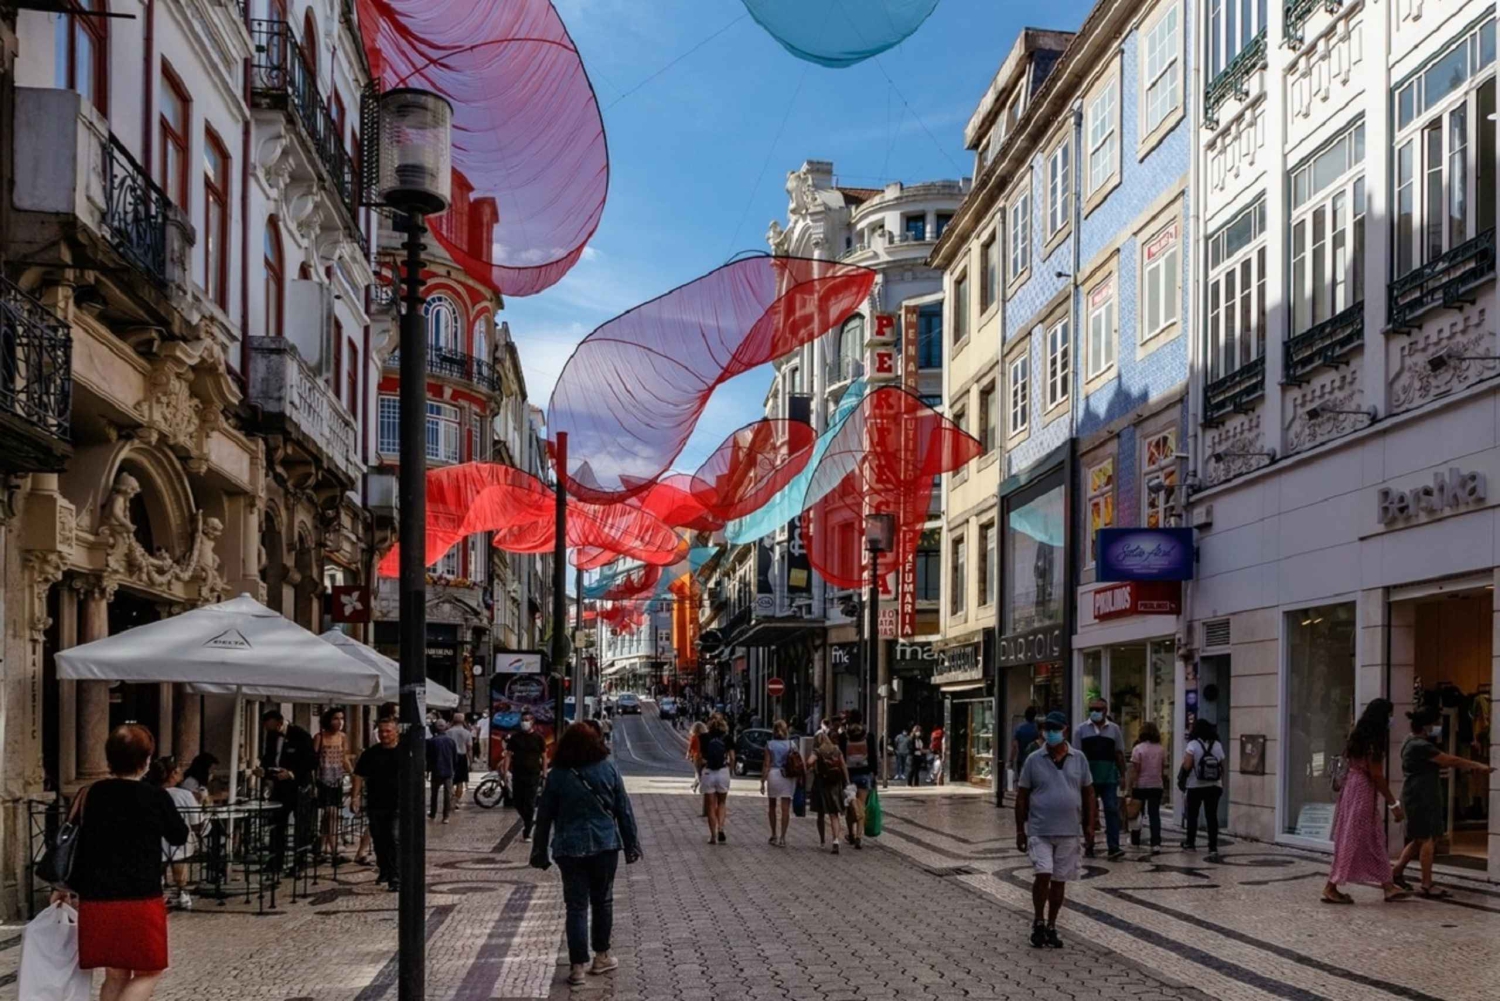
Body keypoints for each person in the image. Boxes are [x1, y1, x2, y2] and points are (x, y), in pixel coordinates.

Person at [52, 724, 189, 1001]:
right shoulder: (155, 796)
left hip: (96, 899)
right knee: (150, 971)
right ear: (146, 760)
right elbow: (179, 835)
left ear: (109, 758)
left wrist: (61, 886)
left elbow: (73, 842)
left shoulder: (90, 793)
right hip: (140, 899)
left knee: (115, 974)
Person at [530, 722, 642, 987]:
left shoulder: (557, 775)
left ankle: (577, 967)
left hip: (569, 847)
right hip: (604, 845)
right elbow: (623, 810)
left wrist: (539, 851)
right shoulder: (608, 768)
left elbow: (544, 817)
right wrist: (631, 845)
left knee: (576, 906)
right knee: (602, 901)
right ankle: (601, 956)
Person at [1392, 706, 1496, 897]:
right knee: (1428, 839)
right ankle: (1427, 884)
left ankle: (1396, 872)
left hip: (1416, 795)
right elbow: (1451, 760)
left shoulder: (1410, 740)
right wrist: (1478, 765)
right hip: (1421, 797)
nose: (1438, 726)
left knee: (1418, 838)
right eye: (1435, 723)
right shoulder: (1421, 746)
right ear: (1426, 725)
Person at [1015, 711, 1095, 949]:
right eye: (1047, 729)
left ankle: (1051, 925)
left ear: (1065, 730)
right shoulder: (1033, 759)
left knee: (1059, 880)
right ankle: (1038, 920)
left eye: (1055, 729)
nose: (1050, 733)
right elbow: (1022, 795)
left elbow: (1088, 792)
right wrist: (1020, 829)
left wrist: (1090, 824)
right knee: (1043, 873)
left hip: (1069, 830)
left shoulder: (1079, 758)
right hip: (1040, 829)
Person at [1322, 698, 1411, 904]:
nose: (1391, 720)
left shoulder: (1357, 737)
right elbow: (1377, 775)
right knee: (1353, 838)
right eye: (1389, 716)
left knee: (1372, 837)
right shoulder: (1373, 743)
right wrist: (1393, 804)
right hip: (1362, 791)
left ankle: (1388, 886)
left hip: (1351, 789)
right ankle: (1331, 886)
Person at [257, 709, 315, 874]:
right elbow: (270, 756)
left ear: (279, 723)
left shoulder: (301, 735)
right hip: (279, 787)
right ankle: (275, 862)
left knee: (301, 826)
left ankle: (299, 863)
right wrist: (264, 770)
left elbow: (310, 761)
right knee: (277, 824)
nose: (268, 730)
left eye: (270, 726)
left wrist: (291, 773)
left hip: (299, 787)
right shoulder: (271, 735)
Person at [353, 718, 401, 890]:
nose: (384, 734)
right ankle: (385, 869)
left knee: (394, 838)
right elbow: (359, 775)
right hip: (375, 802)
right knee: (379, 839)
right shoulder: (371, 753)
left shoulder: (404, 752)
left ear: (396, 732)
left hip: (398, 803)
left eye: (388, 731)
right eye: (381, 731)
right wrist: (355, 796)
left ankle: (395, 876)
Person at [1077, 698, 1127, 860]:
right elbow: (1076, 756)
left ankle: (1114, 846)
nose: (1094, 712)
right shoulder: (1081, 730)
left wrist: (1123, 775)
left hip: (1109, 778)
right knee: (1088, 812)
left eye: (1098, 709)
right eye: (1092, 709)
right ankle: (1089, 844)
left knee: (1111, 810)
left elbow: (1119, 753)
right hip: (1088, 779)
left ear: (1105, 711)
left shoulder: (1114, 729)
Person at [147, 756, 199, 911]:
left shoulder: (149, 793)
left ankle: (160, 887)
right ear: (173, 774)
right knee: (180, 852)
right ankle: (182, 890)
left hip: (156, 843)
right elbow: (196, 821)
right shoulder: (184, 795)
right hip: (179, 844)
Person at [1178, 719, 1226, 855]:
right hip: (1214, 785)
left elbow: (1187, 765)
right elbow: (1222, 765)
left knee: (1192, 815)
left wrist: (1182, 777)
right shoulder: (1217, 745)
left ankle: (1190, 843)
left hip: (1195, 785)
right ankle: (1213, 846)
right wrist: (1222, 783)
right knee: (1212, 816)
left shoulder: (1192, 745)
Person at [312, 708, 351, 862]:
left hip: (337, 779)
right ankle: (334, 850)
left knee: (329, 815)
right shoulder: (319, 737)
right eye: (336, 718)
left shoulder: (343, 737)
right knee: (331, 813)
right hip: (323, 780)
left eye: (342, 718)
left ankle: (320, 847)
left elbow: (344, 758)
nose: (340, 722)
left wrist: (354, 774)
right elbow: (313, 761)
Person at [506, 711, 548, 842]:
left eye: (527, 720)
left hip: (533, 774)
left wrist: (544, 773)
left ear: (532, 721)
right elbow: (508, 755)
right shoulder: (515, 738)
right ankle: (528, 819)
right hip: (518, 773)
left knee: (530, 802)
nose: (525, 722)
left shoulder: (538, 738)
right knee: (517, 801)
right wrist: (505, 771)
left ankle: (527, 830)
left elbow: (544, 756)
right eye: (523, 719)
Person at [1126, 722, 1168, 849]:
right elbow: (1162, 769)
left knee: (1136, 813)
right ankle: (1156, 842)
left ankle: (1135, 840)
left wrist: (1130, 787)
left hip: (1141, 785)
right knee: (1154, 814)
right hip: (1156, 785)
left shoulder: (1138, 749)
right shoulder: (1161, 749)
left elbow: (1135, 770)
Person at [839, 710, 876, 848]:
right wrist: (874, 774)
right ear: (861, 720)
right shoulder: (868, 736)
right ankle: (859, 836)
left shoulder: (844, 736)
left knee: (850, 807)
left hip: (848, 776)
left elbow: (841, 757)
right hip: (864, 775)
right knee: (861, 806)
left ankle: (851, 834)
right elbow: (873, 757)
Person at [696, 717, 734, 844]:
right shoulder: (728, 738)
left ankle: (713, 836)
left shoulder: (703, 738)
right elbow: (732, 757)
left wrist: (699, 772)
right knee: (722, 803)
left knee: (710, 806)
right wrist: (730, 771)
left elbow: (699, 757)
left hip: (708, 772)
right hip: (723, 772)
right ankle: (721, 828)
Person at [760, 720, 797, 846]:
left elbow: (766, 764)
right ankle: (783, 837)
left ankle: (774, 834)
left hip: (774, 774)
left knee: (772, 806)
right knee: (785, 808)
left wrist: (762, 781)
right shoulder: (792, 744)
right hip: (787, 775)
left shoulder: (769, 744)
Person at [811, 733, 849, 854]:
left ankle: (822, 841)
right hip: (835, 784)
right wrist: (847, 781)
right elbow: (843, 766)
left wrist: (810, 768)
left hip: (821, 784)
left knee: (821, 814)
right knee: (834, 814)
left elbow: (809, 761)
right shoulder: (836, 749)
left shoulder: (817, 751)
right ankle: (836, 840)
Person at [426, 718, 457, 823]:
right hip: (448, 770)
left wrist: (428, 771)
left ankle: (433, 813)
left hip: (436, 770)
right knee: (447, 795)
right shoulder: (451, 741)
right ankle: (446, 816)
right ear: (445, 727)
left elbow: (429, 757)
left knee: (434, 793)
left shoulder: (432, 741)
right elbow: (455, 757)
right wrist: (453, 768)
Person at [1012, 706, 1041, 785]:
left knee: (1022, 782)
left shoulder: (1019, 728)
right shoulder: (1037, 729)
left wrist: (1011, 759)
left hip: (1021, 759)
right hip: (1036, 760)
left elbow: (1015, 746)